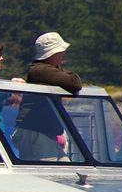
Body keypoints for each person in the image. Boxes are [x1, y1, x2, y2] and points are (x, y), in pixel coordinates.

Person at [12, 32, 82, 161]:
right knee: (48, 176)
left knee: (67, 171)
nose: (63, 54)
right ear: (51, 54)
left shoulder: (43, 70)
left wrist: (57, 68)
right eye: (60, 51)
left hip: (43, 132)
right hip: (37, 132)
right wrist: (60, 70)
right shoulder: (41, 70)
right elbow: (74, 83)